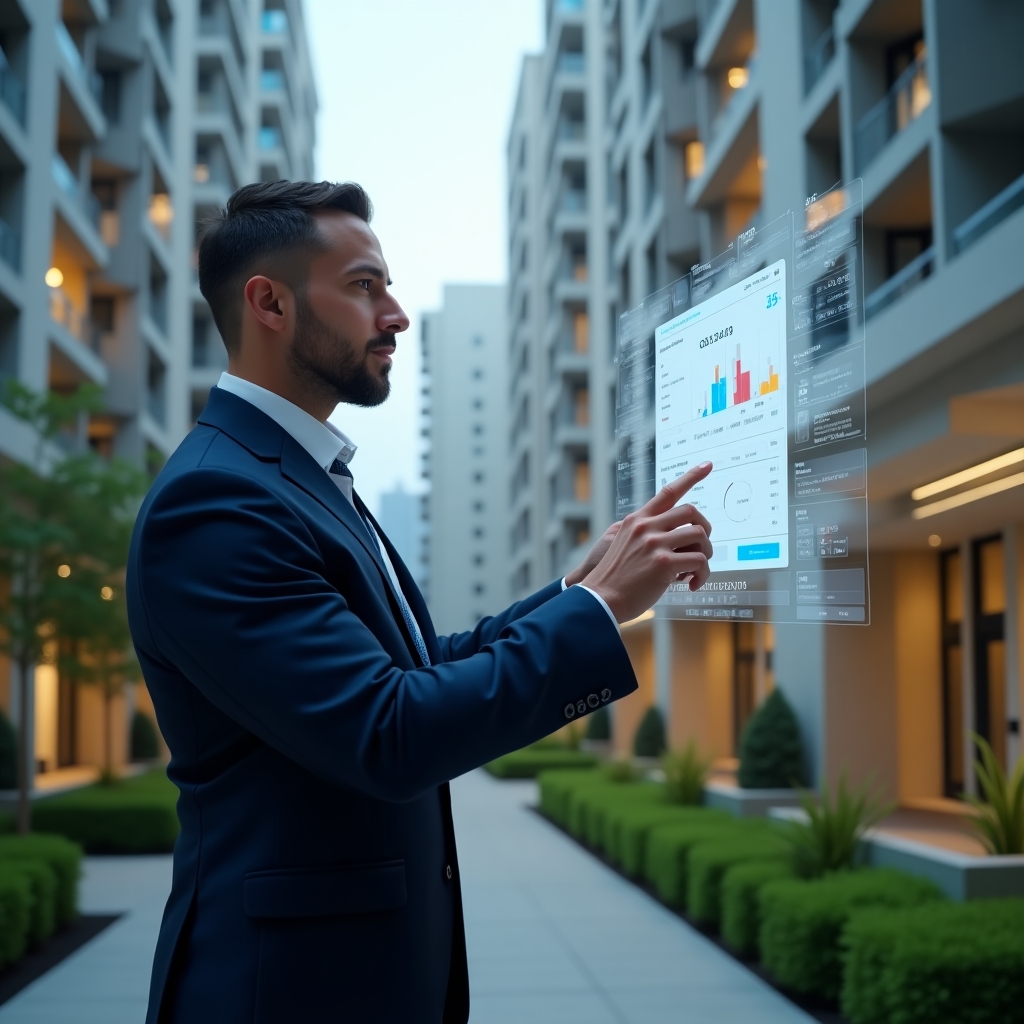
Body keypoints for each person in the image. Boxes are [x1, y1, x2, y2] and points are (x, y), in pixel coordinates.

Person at [126, 180, 713, 1024]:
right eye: (366, 285)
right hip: (286, 993)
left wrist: (583, 593)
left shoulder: (301, 477)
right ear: (270, 304)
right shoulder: (217, 501)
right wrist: (592, 611)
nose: (395, 314)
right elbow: (388, 730)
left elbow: (419, 665)